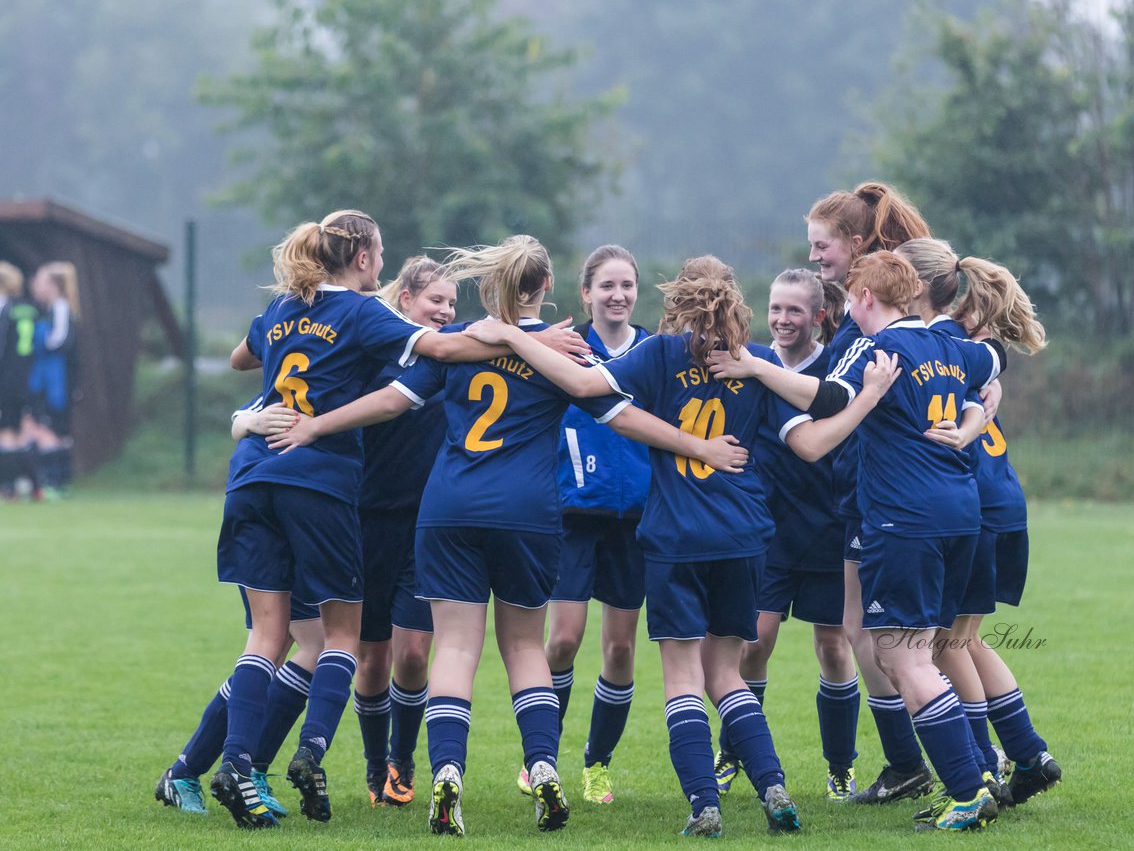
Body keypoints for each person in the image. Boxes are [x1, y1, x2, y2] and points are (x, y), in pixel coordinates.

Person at [267, 236, 747, 836]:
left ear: (490, 285)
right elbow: (622, 415)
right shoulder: (565, 350)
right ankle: (543, 766)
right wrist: (696, 445)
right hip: (527, 512)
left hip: (448, 509)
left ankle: (447, 774)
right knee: (524, 647)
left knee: (457, 649)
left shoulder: (462, 342)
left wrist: (316, 426)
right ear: (547, 288)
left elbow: (392, 400)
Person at [462, 255, 898, 837]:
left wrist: (514, 335)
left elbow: (586, 386)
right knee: (728, 674)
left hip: (675, 539)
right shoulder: (757, 362)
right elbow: (814, 439)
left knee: (683, 678)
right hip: (743, 537)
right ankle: (773, 788)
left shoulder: (662, 353)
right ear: (734, 301)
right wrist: (866, 398)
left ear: (677, 302)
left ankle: (703, 805)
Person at [209, 210, 582, 829]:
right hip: (358, 491)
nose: (380, 267)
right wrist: (527, 339)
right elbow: (607, 402)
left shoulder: (280, 309)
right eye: (379, 255)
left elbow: (250, 362)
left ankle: (249, 766)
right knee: (365, 639)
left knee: (278, 638)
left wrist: (254, 419)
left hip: (282, 481)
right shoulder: (367, 312)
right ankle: (532, 762)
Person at [708, 251, 1007, 831]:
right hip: (960, 515)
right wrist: (981, 403)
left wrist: (758, 369)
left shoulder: (877, 350)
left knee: (902, 655)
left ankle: (970, 791)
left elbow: (827, 402)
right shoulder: (951, 343)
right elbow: (994, 359)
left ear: (866, 298)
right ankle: (975, 772)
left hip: (904, 521)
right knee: (917, 650)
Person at [894, 237, 1060, 807]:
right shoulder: (967, 341)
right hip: (999, 503)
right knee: (961, 640)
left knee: (944, 645)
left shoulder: (934, 342)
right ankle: (1029, 754)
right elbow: (993, 362)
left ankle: (985, 764)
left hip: (974, 506)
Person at [713, 268, 860, 803]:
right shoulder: (751, 360)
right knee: (754, 642)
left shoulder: (836, 368)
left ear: (818, 315)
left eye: (794, 310)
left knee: (834, 648)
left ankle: (841, 767)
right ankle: (733, 754)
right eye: (775, 309)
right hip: (766, 532)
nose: (782, 319)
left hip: (828, 529)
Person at [524, 245, 651, 806]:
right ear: (585, 293)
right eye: (606, 286)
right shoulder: (564, 348)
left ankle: (597, 764)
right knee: (564, 641)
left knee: (620, 652)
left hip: (636, 524)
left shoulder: (654, 351)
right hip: (573, 519)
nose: (618, 295)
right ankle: (541, 759)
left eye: (626, 285)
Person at [156, 401, 324, 820]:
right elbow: (242, 416)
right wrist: (251, 420)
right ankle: (234, 770)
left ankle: (194, 770)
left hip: (300, 507)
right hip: (277, 508)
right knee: (292, 641)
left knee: (292, 643)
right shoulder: (328, 348)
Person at [352, 257, 453, 808]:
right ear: (406, 299)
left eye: (452, 304)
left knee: (414, 652)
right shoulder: (372, 356)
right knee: (371, 657)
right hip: (367, 522)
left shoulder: (448, 362)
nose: (445, 312)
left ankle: (402, 761)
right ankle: (374, 769)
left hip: (425, 526)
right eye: (436, 300)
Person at [26, 261, 79, 498]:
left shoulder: (60, 308)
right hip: (49, 379)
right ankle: (51, 481)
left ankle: (54, 482)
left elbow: (58, 342)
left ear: (54, 285)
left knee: (53, 429)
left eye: (42, 282)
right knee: (51, 429)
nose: (37, 287)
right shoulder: (48, 309)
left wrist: (34, 347)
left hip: (54, 381)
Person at [0, 262, 37, 500]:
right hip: (27, 376)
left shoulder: (5, 310)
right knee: (21, 432)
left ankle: (9, 487)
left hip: (7, 378)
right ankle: (35, 485)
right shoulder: (30, 309)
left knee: (7, 433)